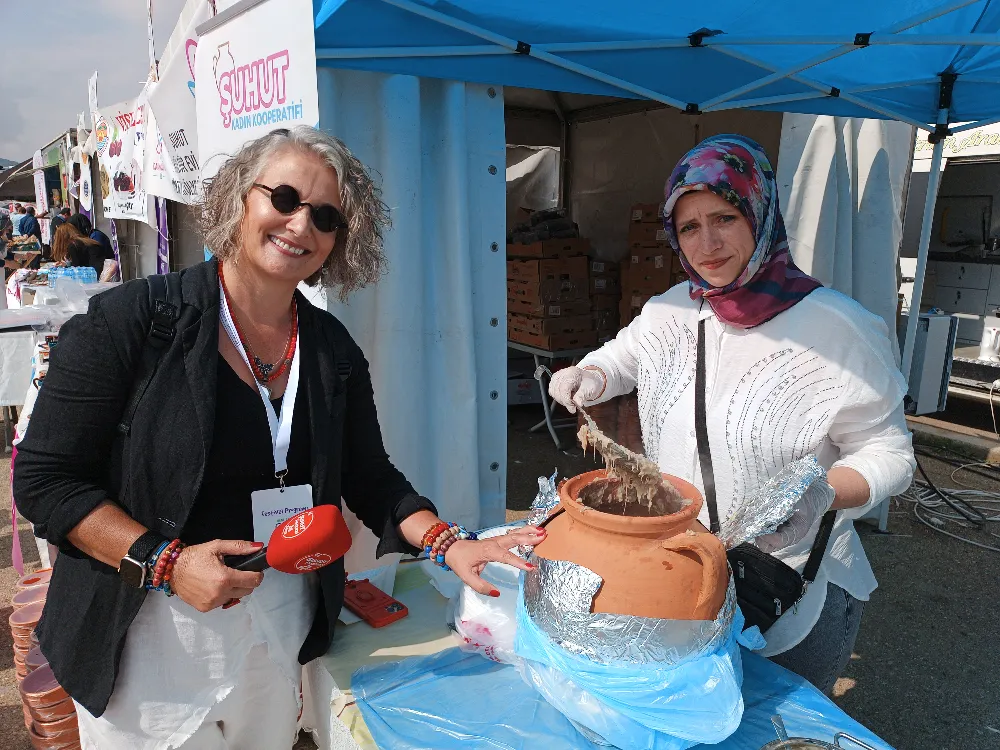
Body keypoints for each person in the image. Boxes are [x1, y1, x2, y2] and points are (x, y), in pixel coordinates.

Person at [13, 125, 544, 749]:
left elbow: (371, 478)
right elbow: (45, 481)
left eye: (325, 217)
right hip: (149, 635)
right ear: (241, 197)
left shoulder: (331, 350)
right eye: (285, 199)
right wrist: (166, 562)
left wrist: (449, 543)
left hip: (279, 623)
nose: (300, 226)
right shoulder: (132, 322)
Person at [548, 134, 915, 695]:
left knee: (773, 725)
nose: (707, 243)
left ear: (759, 212)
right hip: (686, 572)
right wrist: (589, 376)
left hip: (791, 585)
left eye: (724, 216)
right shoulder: (670, 309)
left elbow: (891, 455)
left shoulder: (839, 328)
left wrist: (822, 491)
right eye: (689, 226)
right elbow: (621, 359)